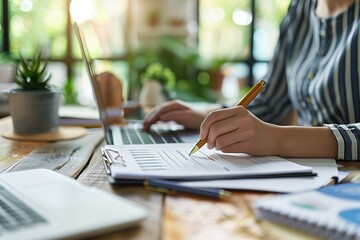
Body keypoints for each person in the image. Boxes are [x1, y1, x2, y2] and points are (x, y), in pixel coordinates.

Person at [143, 0, 360, 161]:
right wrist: (209, 115)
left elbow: (271, 132)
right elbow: (270, 102)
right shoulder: (299, 10)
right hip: (307, 176)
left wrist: (276, 139)